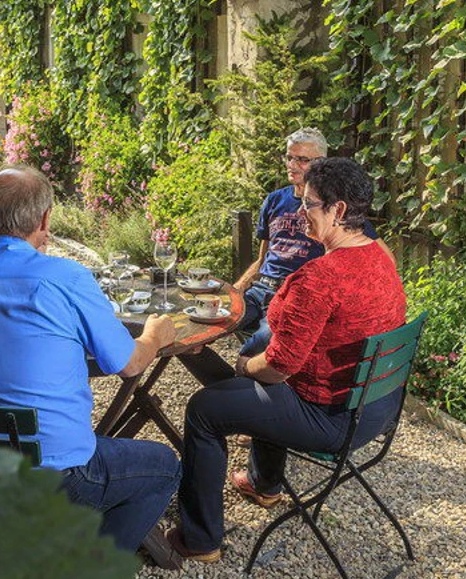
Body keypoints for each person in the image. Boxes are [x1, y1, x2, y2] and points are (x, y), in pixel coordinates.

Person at [0, 166, 182, 559]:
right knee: (164, 466)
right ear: (44, 220)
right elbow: (127, 364)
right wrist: (154, 335)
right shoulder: (64, 276)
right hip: (55, 474)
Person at [168, 158, 407, 564]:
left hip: (330, 418)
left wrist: (245, 367)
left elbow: (279, 368)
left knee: (206, 409)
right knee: (251, 364)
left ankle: (201, 538)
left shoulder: (320, 277)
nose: (299, 214)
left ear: (339, 211)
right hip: (373, 408)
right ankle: (263, 482)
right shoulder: (380, 259)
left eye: (309, 205)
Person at [231, 128, 384, 357]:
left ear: (321, 163)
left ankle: (234, 386)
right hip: (261, 290)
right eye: (289, 157)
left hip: (295, 298)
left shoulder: (331, 209)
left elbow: (381, 258)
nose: (292, 165)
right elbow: (262, 260)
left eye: (302, 159)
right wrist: (233, 291)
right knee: (208, 321)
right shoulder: (274, 200)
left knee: (254, 351)